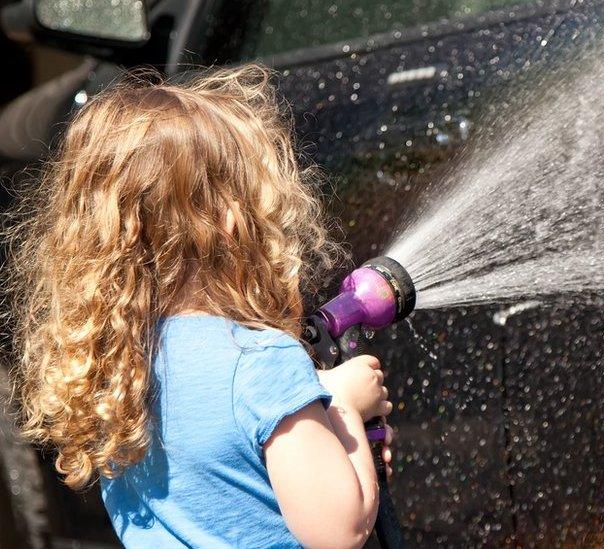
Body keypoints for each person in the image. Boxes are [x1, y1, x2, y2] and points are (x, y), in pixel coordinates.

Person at [7, 64, 394, 548]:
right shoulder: (262, 364)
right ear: (233, 221)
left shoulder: (113, 370)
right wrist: (345, 410)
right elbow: (341, 531)